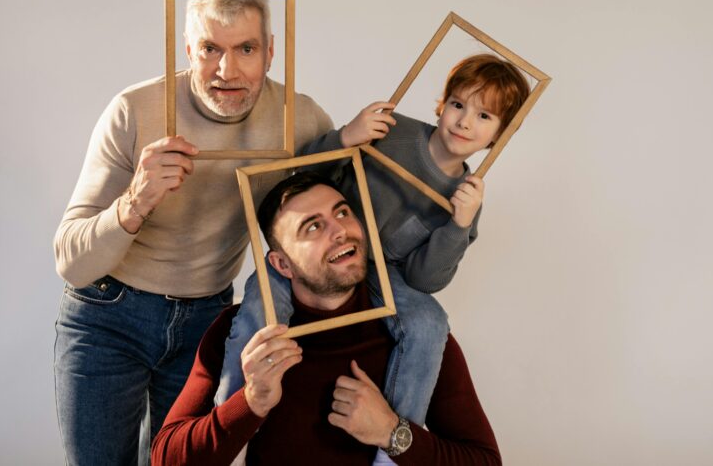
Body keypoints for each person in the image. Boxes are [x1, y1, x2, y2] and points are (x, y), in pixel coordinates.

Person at [53, 0, 334, 465]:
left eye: (245, 49)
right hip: (107, 315)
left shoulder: (302, 120)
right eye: (210, 49)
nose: (227, 69)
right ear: (187, 50)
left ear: (270, 50)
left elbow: (342, 220)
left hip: (208, 319)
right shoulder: (135, 110)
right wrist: (135, 201)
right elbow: (71, 262)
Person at [215, 53, 530, 453]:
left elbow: (425, 280)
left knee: (429, 323)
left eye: (485, 116)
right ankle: (231, 418)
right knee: (260, 301)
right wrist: (346, 137)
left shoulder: (467, 198)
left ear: (502, 133)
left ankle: (390, 445)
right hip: (320, 253)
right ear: (443, 103)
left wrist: (458, 226)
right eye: (458, 105)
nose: (465, 121)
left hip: (385, 274)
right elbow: (304, 179)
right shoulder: (394, 132)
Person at [151, 172, 502, 465]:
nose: (340, 230)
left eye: (343, 213)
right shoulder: (243, 334)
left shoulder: (414, 334)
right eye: (313, 227)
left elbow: (485, 460)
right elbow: (165, 458)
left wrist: (392, 433)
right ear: (282, 264)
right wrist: (251, 402)